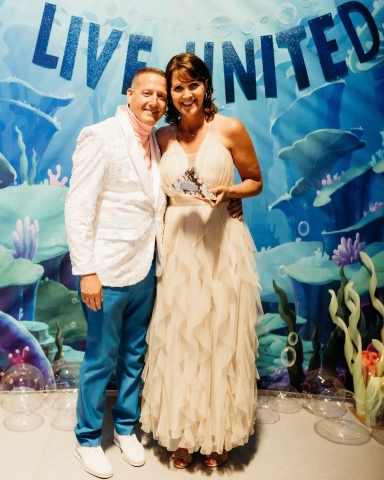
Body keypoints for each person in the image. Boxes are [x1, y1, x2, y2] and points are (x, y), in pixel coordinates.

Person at [65, 66, 243, 479]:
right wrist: (86, 270)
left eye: (161, 96)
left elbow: (181, 192)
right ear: (129, 93)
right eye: (147, 93)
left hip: (149, 266)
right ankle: (88, 438)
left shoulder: (159, 141)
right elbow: (78, 206)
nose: (155, 102)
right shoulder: (101, 136)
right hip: (106, 272)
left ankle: (125, 428)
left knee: (133, 356)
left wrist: (233, 200)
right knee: (99, 358)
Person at [140, 53, 263, 469]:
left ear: (205, 86)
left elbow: (255, 180)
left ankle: (217, 432)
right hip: (178, 247)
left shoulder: (230, 128)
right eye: (178, 87)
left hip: (221, 245)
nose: (186, 93)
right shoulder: (161, 138)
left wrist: (231, 194)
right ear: (170, 95)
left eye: (193, 84)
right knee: (179, 336)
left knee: (218, 334)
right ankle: (183, 430)